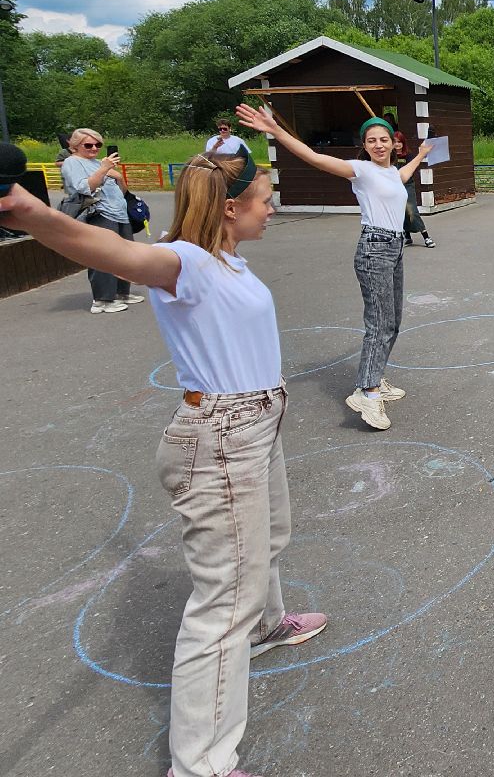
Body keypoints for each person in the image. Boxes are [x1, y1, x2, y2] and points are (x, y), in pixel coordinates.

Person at [0, 152, 329, 777]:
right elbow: (104, 248)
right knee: (223, 599)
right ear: (230, 209)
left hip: (259, 424)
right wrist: (25, 208)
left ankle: (265, 626)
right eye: (265, 198)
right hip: (221, 437)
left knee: (271, 539)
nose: (273, 206)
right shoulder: (186, 263)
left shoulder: (229, 259)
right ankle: (200, 762)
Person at [237, 105, 431, 431]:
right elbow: (314, 158)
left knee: (392, 320)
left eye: (384, 139)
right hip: (375, 249)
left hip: (395, 247)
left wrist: (422, 153)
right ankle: (367, 393)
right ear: (365, 145)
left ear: (394, 143)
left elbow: (404, 176)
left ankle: (375, 376)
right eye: (372, 141)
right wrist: (276, 131)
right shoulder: (361, 170)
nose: (379, 145)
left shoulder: (390, 174)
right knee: (379, 322)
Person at [60, 128, 143, 313]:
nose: (94, 148)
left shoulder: (99, 162)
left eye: (98, 144)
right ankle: (102, 299)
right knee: (104, 255)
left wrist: (119, 177)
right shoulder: (71, 162)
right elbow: (83, 188)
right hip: (98, 213)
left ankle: (122, 292)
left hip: (119, 213)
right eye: (88, 145)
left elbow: (121, 191)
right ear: (74, 146)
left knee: (125, 254)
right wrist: (104, 169)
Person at [393, 130, 435, 249]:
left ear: (403, 143)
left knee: (412, 210)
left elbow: (418, 160)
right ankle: (407, 236)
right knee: (400, 211)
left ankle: (426, 236)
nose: (397, 145)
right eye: (395, 142)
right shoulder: (389, 156)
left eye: (399, 142)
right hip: (394, 186)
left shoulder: (409, 155)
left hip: (407, 185)